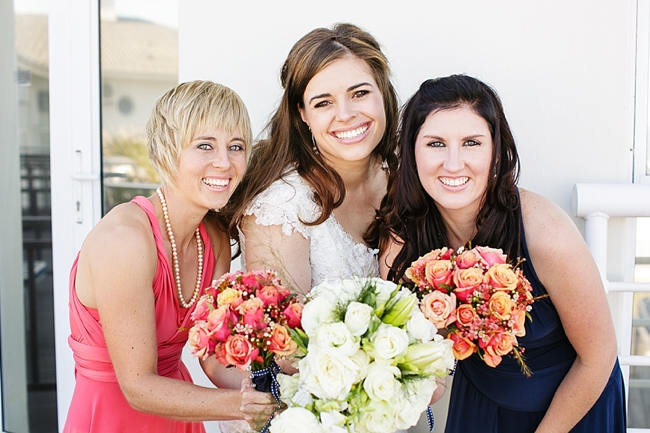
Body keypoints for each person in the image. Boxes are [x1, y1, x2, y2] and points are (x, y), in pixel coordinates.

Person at [378, 74, 626, 432]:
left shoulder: (544, 231)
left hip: (575, 406)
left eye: (471, 143)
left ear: (495, 149)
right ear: (412, 150)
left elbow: (598, 356)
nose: (452, 163)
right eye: (435, 144)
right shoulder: (401, 242)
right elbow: (422, 370)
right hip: (483, 406)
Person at [216, 23, 399, 433]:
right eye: (323, 102)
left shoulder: (406, 181)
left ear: (382, 91)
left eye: (359, 93)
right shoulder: (281, 205)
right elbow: (287, 348)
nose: (346, 115)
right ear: (302, 115)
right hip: (298, 416)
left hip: (384, 411)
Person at [63, 81, 276, 433]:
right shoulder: (124, 240)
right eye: (205, 145)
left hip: (177, 413)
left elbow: (212, 355)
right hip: (111, 416)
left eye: (235, 146)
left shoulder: (215, 238)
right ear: (167, 149)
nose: (224, 163)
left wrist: (284, 388)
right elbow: (138, 387)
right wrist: (247, 406)